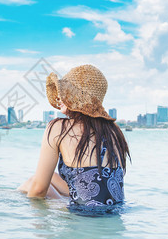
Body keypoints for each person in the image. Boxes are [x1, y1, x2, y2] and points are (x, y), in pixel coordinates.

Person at [17, 64, 130, 212]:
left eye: (65, 92)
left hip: (82, 217)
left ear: (75, 97)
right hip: (115, 214)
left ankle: (8, 198)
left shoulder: (59, 128)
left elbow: (39, 191)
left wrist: (34, 224)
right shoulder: (114, 130)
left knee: (32, 184)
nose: (59, 97)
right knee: (49, 178)